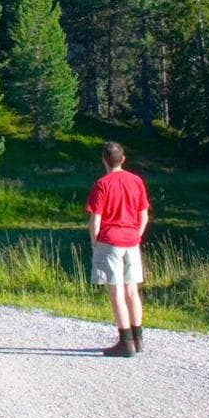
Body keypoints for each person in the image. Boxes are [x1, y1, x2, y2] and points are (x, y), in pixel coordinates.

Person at [86, 140, 149, 357]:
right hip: (132, 239)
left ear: (104, 160)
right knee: (132, 290)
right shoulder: (136, 181)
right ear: (123, 159)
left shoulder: (102, 184)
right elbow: (143, 214)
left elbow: (96, 218)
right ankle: (138, 337)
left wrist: (95, 241)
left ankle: (125, 341)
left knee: (116, 291)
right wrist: (137, 235)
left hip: (110, 240)